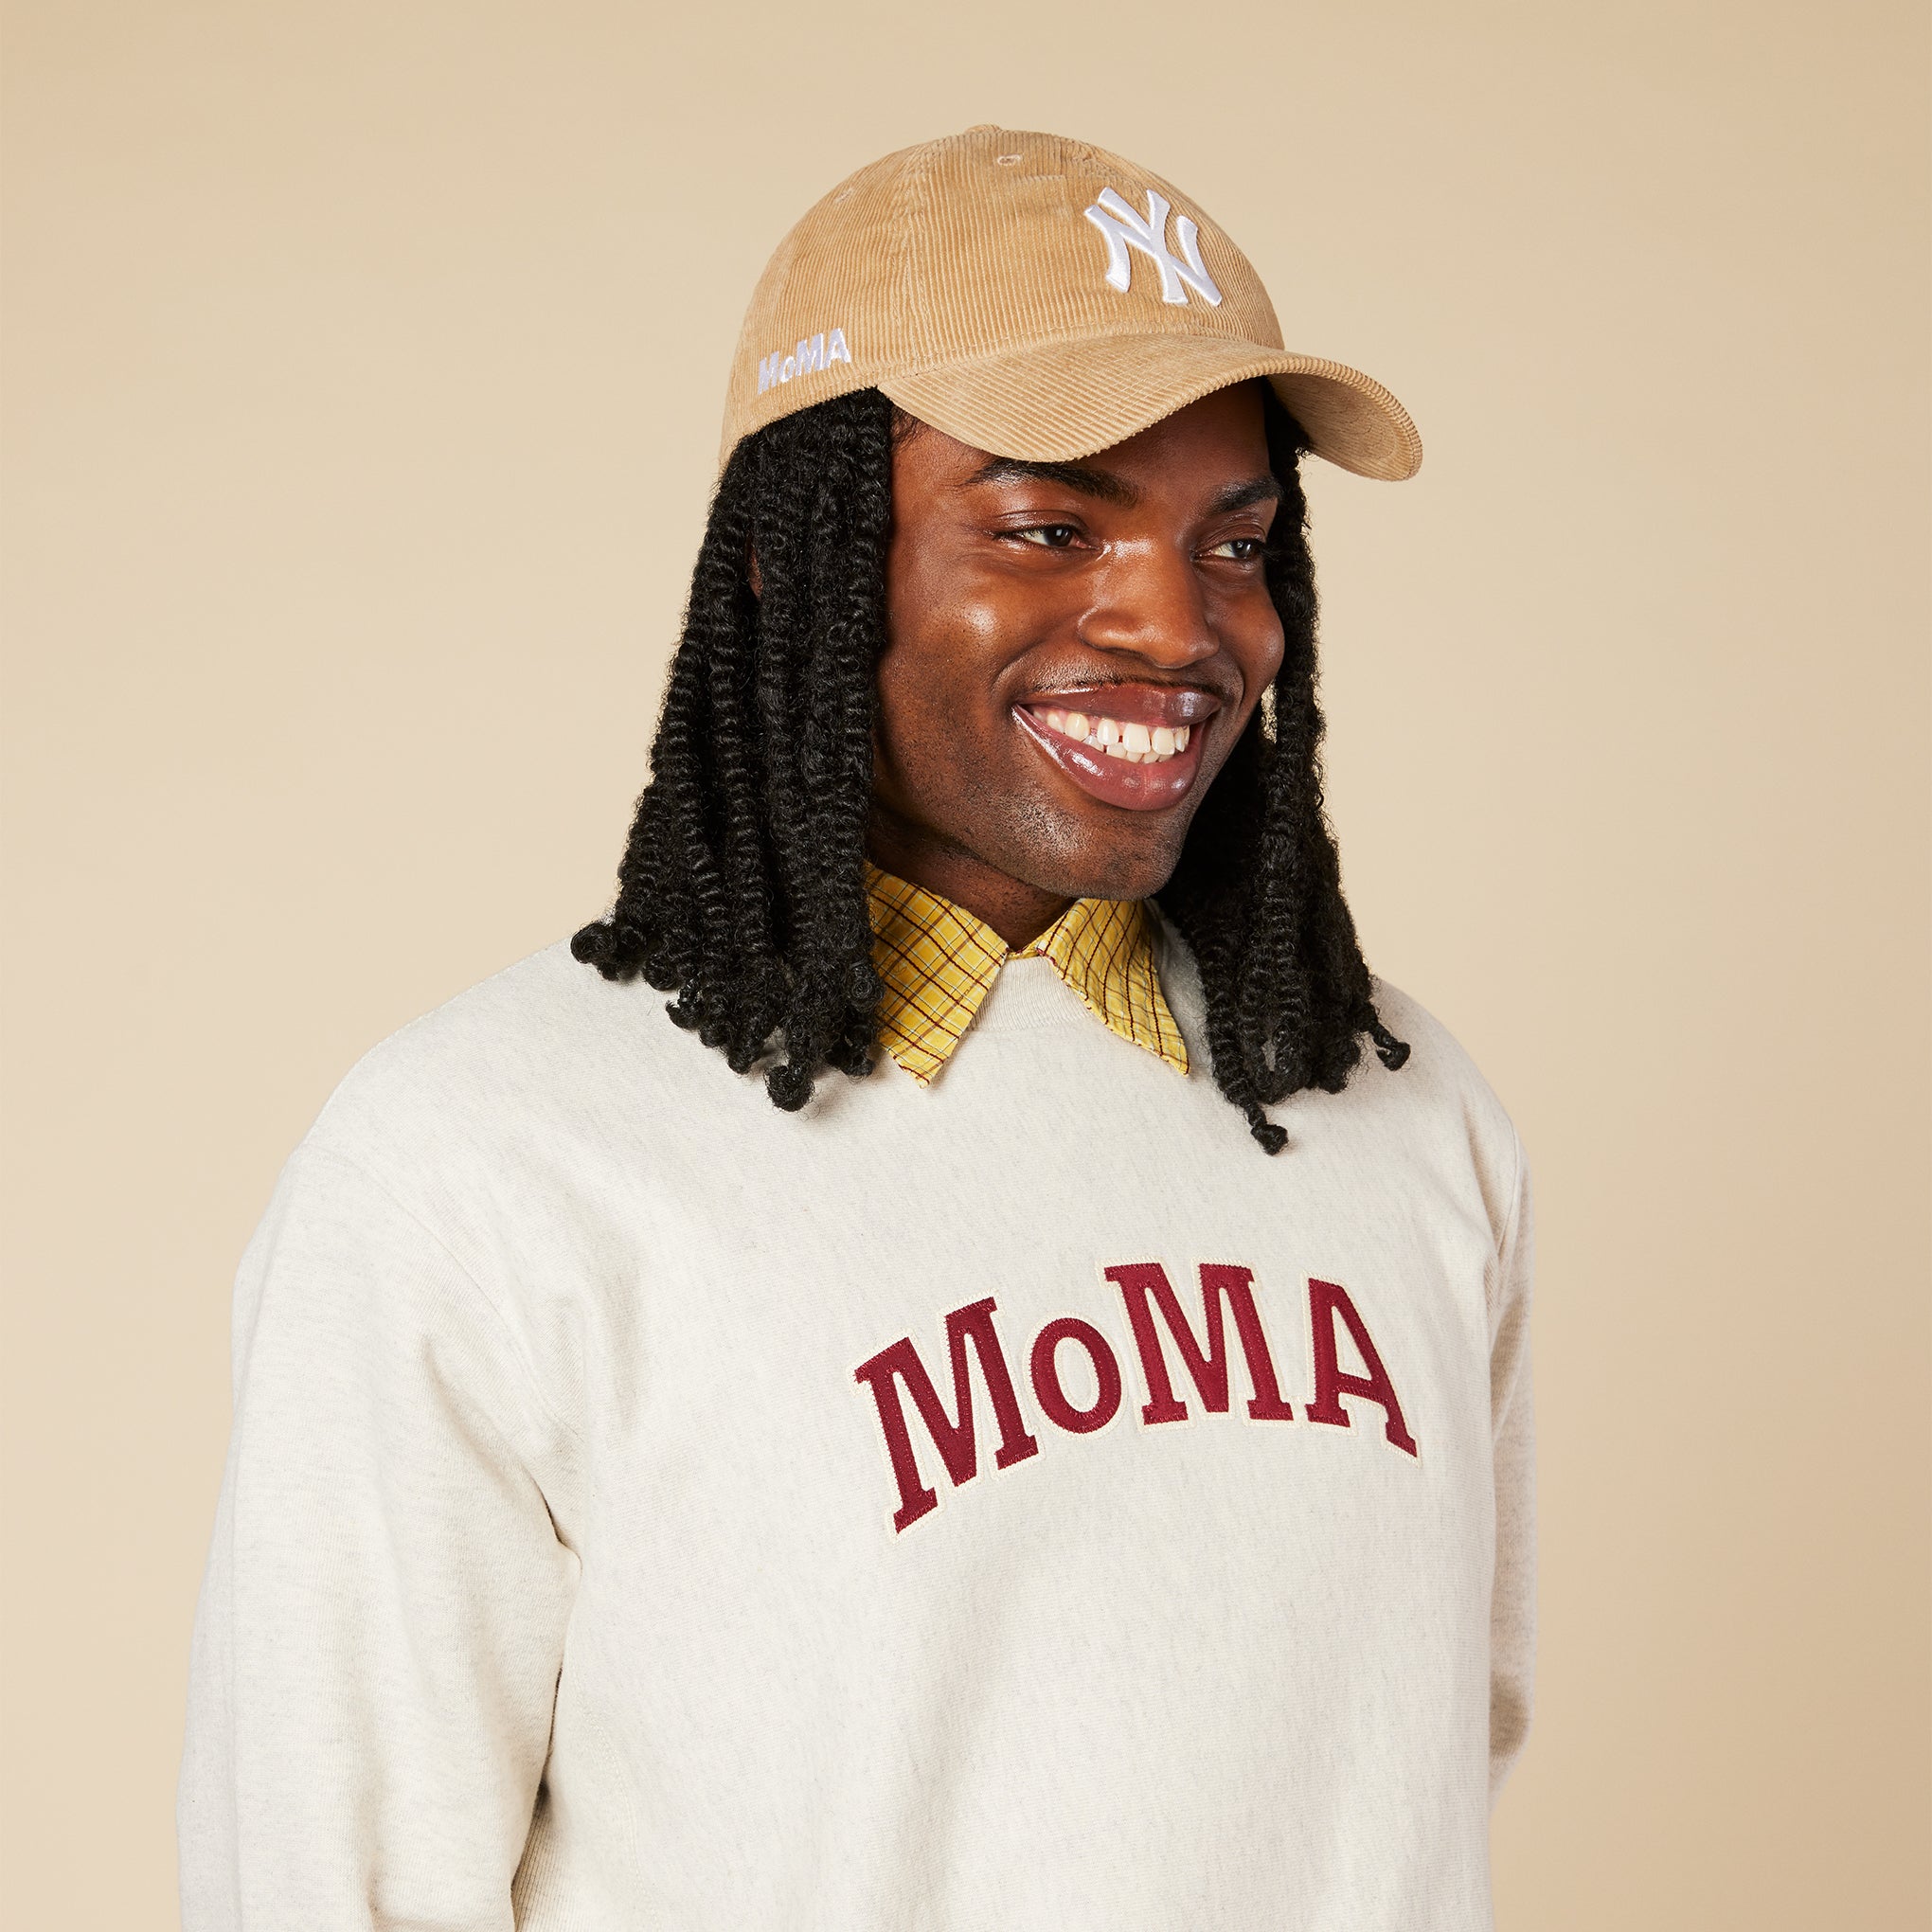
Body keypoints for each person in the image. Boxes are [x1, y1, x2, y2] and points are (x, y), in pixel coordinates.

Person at [179, 124, 1536, 1930]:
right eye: (1049, 525)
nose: (1179, 621)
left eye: (1238, 542)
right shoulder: (478, 1166)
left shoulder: (1410, 1118)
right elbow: (327, 1877)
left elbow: (1420, 1786)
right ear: (790, 559)